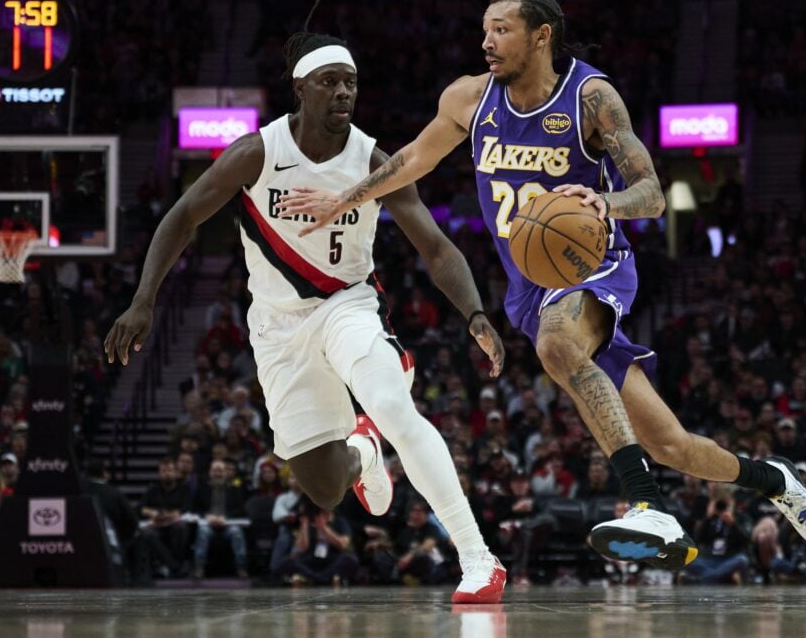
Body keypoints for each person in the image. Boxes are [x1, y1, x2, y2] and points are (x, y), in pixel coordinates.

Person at [279, 0, 806, 567]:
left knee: (556, 341)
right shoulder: (470, 99)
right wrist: (343, 199)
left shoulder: (591, 97)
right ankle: (775, 480)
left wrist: (605, 202)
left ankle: (647, 505)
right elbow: (413, 160)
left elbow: (650, 192)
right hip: (530, 286)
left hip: (593, 264)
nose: (486, 42)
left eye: (501, 30)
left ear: (541, 35)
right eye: (484, 30)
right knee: (672, 444)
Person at [104, 29, 507, 602]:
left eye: (351, 83)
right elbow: (181, 217)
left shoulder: (372, 159)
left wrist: (474, 314)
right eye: (330, 82)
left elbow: (436, 247)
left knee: (393, 405)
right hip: (277, 326)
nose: (344, 92)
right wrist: (144, 299)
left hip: (348, 306)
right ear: (301, 88)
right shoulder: (257, 153)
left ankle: (478, 557)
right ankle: (363, 450)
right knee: (322, 490)